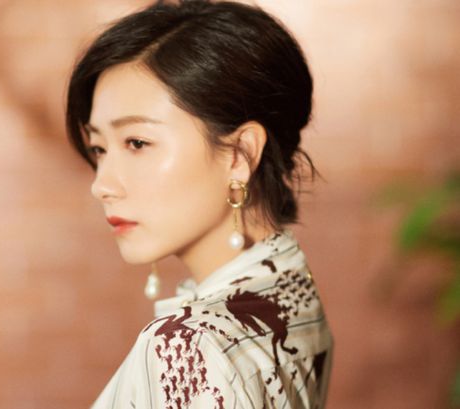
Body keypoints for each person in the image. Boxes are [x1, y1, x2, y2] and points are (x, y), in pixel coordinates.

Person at [64, 0, 334, 407]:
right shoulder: (293, 289)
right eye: (99, 148)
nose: (101, 185)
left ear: (239, 154)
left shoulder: (186, 347)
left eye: (137, 143)